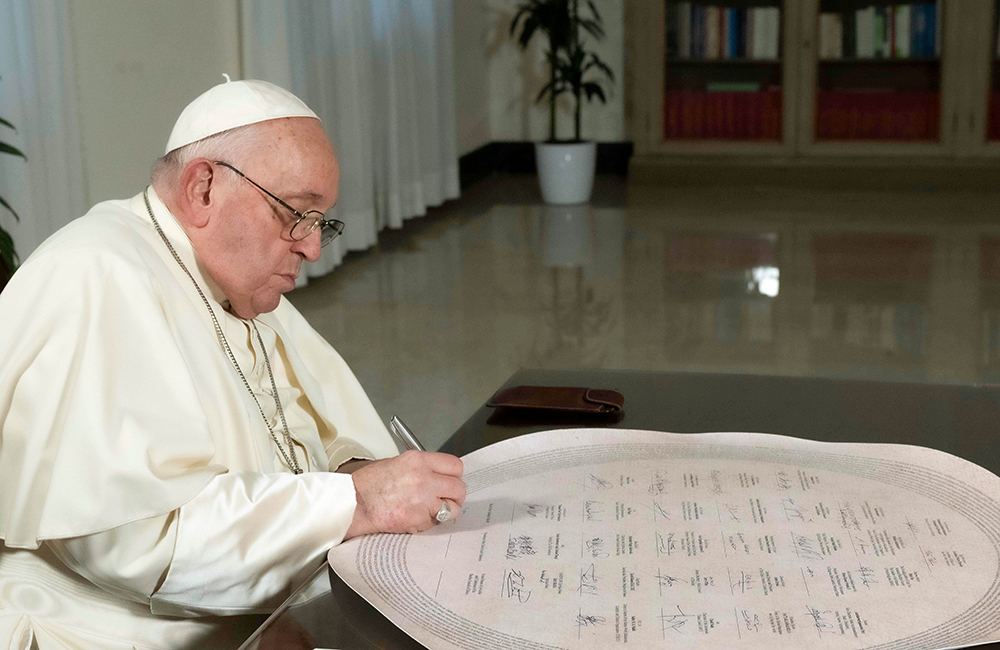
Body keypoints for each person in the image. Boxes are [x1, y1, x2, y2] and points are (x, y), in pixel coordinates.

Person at [0, 78, 466, 650]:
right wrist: (358, 502)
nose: (313, 248)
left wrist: (353, 476)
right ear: (203, 189)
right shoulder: (98, 274)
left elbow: (304, 437)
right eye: (297, 213)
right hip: (117, 628)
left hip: (257, 605)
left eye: (323, 221)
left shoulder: (233, 279)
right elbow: (139, 543)